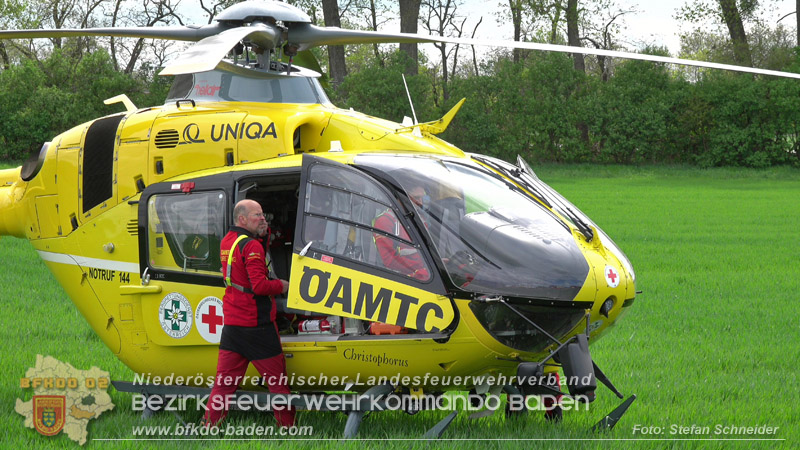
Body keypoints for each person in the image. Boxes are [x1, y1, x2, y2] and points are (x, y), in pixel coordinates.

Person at [204, 199, 295, 428]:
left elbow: (246, 265)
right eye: (257, 215)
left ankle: (209, 428)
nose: (263, 218)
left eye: (263, 215)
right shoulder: (251, 246)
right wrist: (283, 286)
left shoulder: (228, 241)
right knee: (278, 384)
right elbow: (260, 286)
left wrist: (263, 236)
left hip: (233, 327)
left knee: (223, 385)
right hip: (258, 328)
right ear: (242, 219)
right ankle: (288, 428)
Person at [372, 186, 430, 281]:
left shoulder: (421, 220)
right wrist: (424, 269)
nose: (420, 203)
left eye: (422, 198)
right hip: (402, 281)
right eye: (416, 198)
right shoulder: (385, 221)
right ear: (402, 198)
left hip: (424, 277)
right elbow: (389, 261)